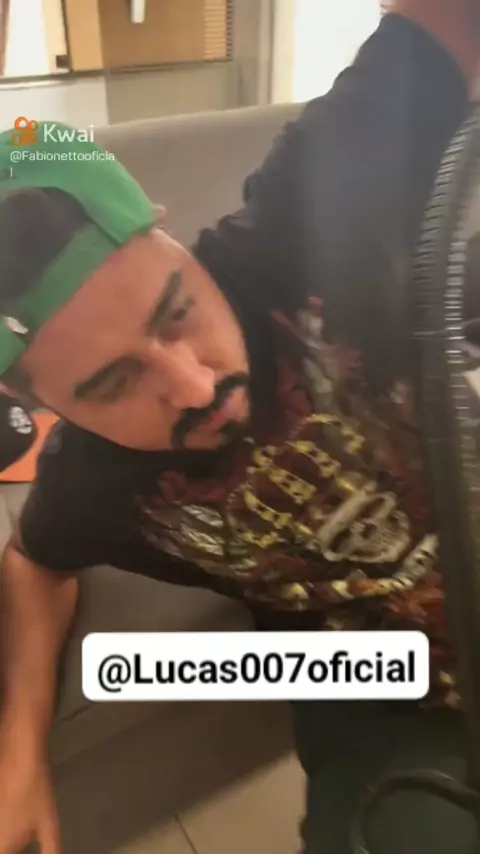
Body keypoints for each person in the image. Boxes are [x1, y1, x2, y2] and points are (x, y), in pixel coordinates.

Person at [0, 2, 478, 852]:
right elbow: (36, 562)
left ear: (161, 221)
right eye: (116, 383)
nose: (196, 386)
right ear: (41, 405)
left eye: (176, 311)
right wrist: (21, 746)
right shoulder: (95, 481)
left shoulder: (303, 221)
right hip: (382, 691)